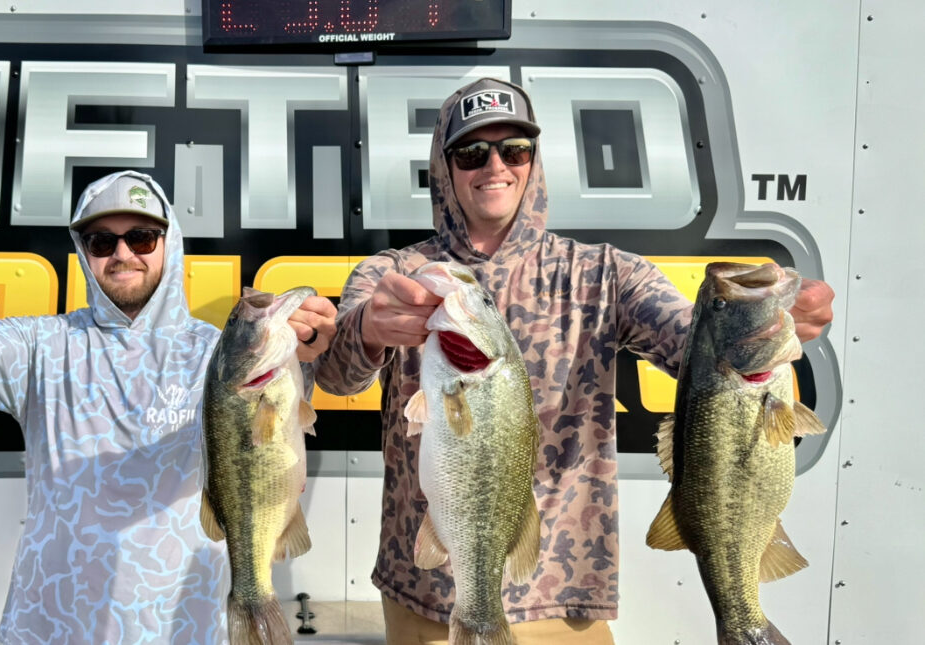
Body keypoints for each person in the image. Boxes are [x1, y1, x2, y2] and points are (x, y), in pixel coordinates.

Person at [312, 79, 835, 644]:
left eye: (514, 149)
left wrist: (752, 329)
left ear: (533, 163)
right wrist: (366, 329)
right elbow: (338, 377)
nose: (495, 165)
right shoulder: (393, 272)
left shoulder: (606, 273)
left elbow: (690, 345)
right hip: (429, 593)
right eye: (471, 152)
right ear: (445, 169)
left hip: (564, 597)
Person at [0, 170, 338, 645]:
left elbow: (283, 423)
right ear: (82, 251)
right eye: (101, 240)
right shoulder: (39, 344)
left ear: (169, 244)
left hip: (185, 626)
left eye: (142, 237)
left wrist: (309, 349)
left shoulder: (221, 353)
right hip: (46, 626)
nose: (122, 253)